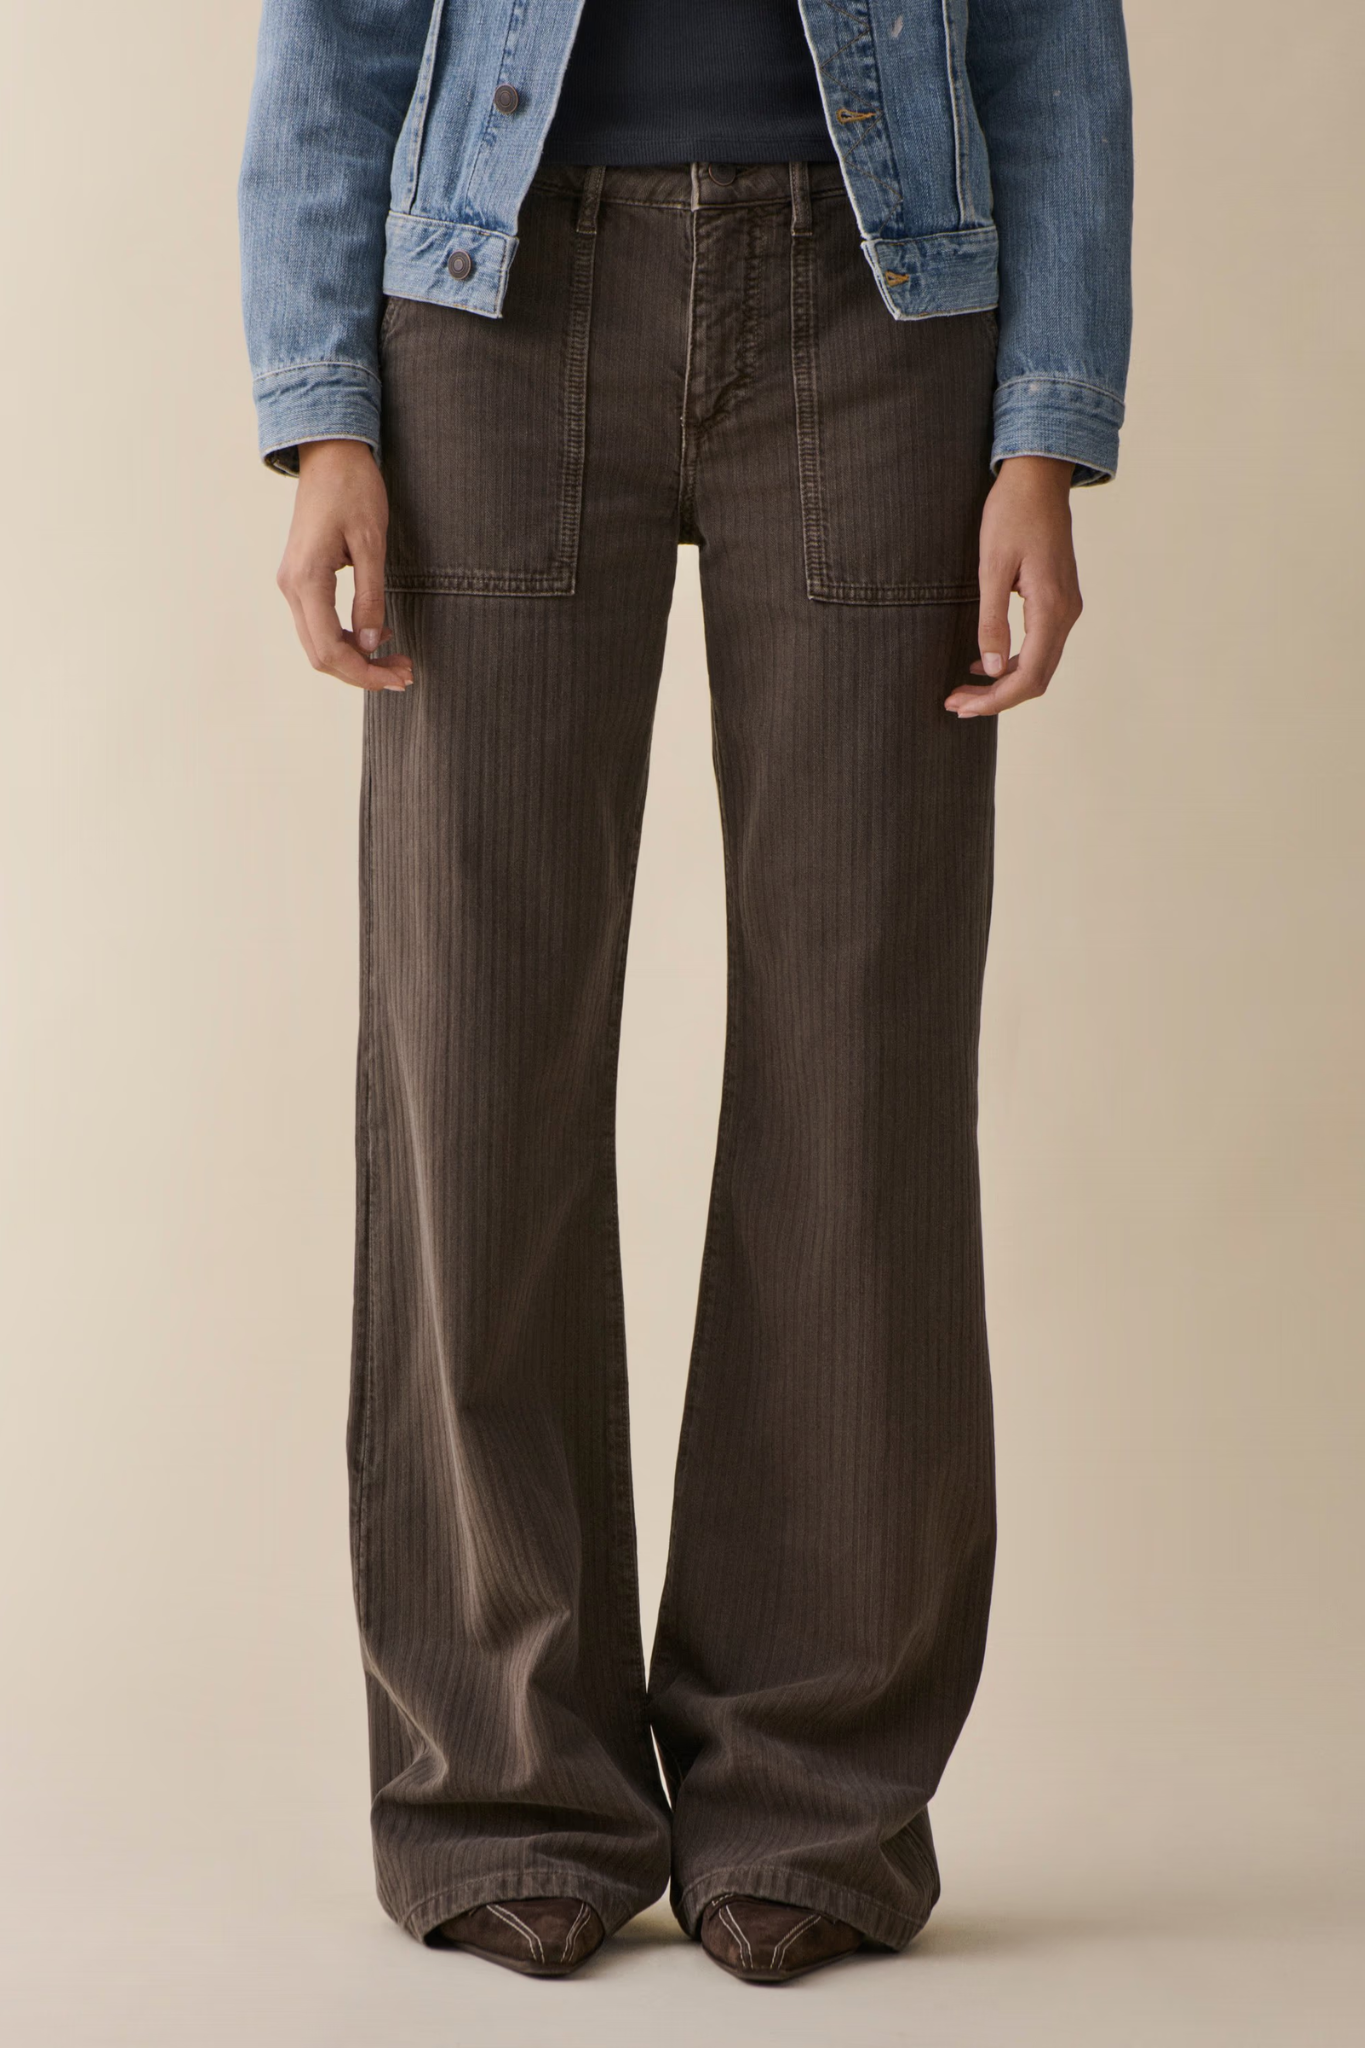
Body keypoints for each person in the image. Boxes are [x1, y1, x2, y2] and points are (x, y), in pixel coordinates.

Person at [238, 0, 1132, 1986]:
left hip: (880, 308)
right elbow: (340, 27)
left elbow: (1051, 35)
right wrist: (324, 407)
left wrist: (1045, 426)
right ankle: (503, 1781)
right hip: (492, 301)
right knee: (475, 1051)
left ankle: (811, 1785)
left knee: (862, 1053)